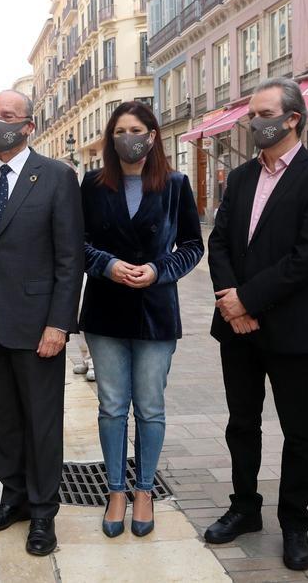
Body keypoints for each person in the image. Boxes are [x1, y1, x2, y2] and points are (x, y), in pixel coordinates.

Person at [203, 78, 308, 571]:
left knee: (297, 430)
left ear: (292, 119)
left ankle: (295, 523)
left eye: (264, 114)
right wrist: (229, 301)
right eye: (252, 114)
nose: (254, 122)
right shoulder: (240, 178)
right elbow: (217, 242)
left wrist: (247, 299)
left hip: (291, 330)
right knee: (242, 424)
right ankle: (244, 508)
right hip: (236, 329)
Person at [0, 89, 85, 556]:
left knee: (42, 421)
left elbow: (70, 260)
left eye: (7, 116)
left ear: (29, 125)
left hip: (37, 327)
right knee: (4, 419)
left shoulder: (56, 177)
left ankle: (44, 512)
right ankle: (14, 497)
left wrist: (59, 323)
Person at [79, 101, 204, 538]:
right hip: (105, 309)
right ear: (111, 139)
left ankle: (145, 490)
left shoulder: (174, 184)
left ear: (152, 135)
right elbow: (77, 243)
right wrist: (107, 265)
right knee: (112, 405)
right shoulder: (92, 185)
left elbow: (192, 244)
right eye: (119, 130)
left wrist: (158, 270)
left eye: (135, 129)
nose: (127, 137)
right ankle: (116, 490)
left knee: (150, 407)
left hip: (155, 311)